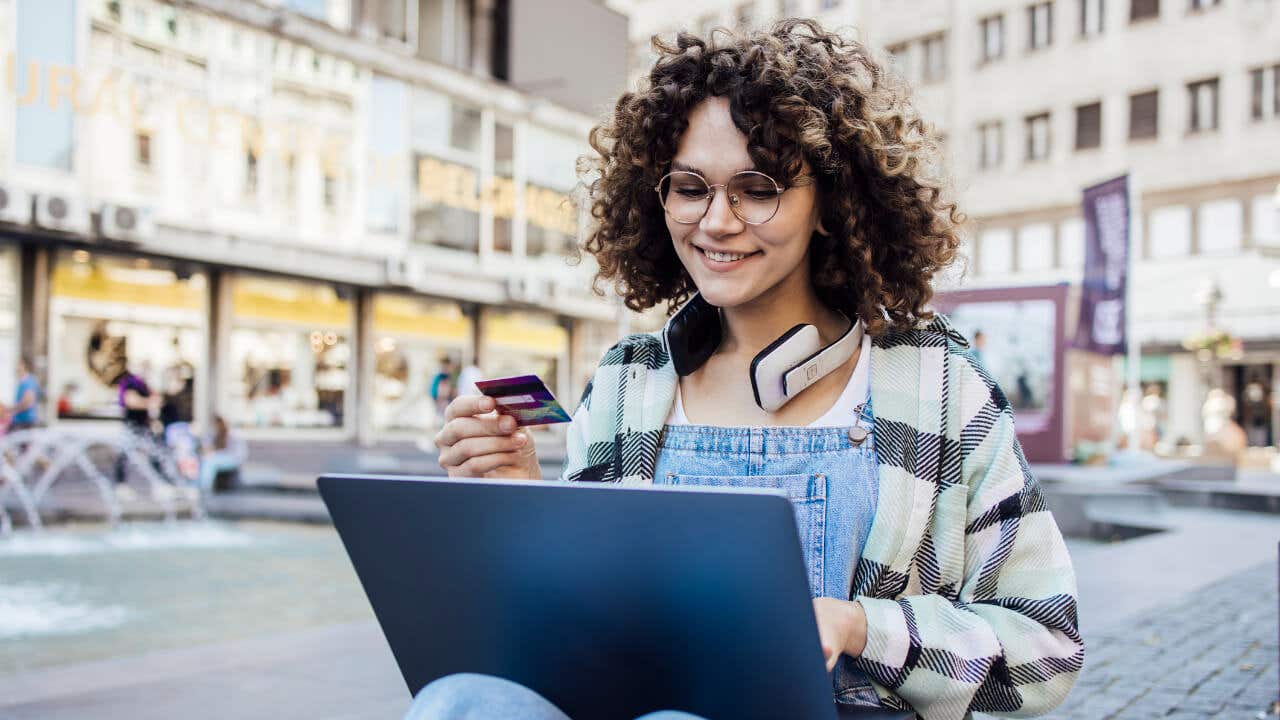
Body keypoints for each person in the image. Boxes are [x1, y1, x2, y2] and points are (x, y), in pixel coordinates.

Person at [426, 20, 1081, 720]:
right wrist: (525, 508)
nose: (716, 222)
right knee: (459, 701)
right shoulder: (627, 383)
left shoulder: (938, 385)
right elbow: (579, 637)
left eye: (757, 188)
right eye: (689, 187)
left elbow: (1045, 648)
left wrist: (858, 625)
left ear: (829, 201)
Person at [199, 415, 248, 492]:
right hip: (219, 458)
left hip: (233, 459)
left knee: (209, 462)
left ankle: (204, 488)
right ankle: (196, 486)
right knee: (204, 460)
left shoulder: (233, 434)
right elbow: (206, 447)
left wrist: (214, 453)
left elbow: (237, 453)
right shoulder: (213, 434)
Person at [4, 356, 41, 431]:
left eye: (18, 364)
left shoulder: (29, 381)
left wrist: (10, 409)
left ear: (24, 366)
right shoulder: (22, 381)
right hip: (20, 421)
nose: (16, 367)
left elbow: (27, 402)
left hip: (25, 422)